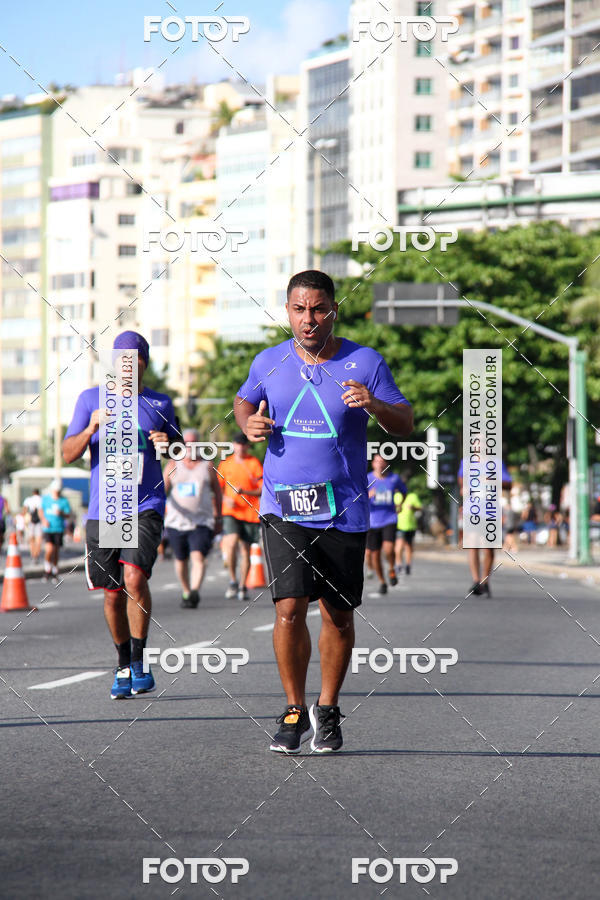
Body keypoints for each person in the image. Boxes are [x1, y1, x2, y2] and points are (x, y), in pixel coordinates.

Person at [234, 270, 413, 753]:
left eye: (317, 309)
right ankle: (294, 708)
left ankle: (328, 709)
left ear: (333, 310)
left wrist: (374, 404)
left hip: (344, 511)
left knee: (338, 616)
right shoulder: (269, 361)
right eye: (299, 309)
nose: (308, 319)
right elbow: (244, 398)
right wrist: (248, 421)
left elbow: (405, 422)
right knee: (289, 608)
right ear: (287, 311)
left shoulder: (365, 361)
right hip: (282, 506)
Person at [63, 331, 180, 700]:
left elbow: (179, 448)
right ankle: (124, 662)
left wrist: (168, 444)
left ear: (144, 364)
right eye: (121, 362)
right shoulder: (90, 400)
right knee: (112, 594)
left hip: (145, 505)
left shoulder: (160, 403)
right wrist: (91, 428)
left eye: (134, 361)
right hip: (107, 508)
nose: (127, 368)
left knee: (133, 577)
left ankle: (141, 659)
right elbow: (67, 453)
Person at [164, 429, 222, 608]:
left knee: (198, 556)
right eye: (187, 442)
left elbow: (218, 492)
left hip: (201, 521)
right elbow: (161, 491)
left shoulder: (207, 465)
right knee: (181, 559)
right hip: (176, 522)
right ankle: (186, 590)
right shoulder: (173, 464)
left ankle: (195, 591)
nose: (190, 446)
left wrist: (218, 517)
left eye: (193, 442)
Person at [217, 433, 263, 602]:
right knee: (231, 541)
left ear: (247, 446)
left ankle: (242, 585)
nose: (240, 447)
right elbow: (218, 487)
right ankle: (232, 580)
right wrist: (225, 499)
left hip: (250, 513)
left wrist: (245, 492)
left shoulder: (254, 463)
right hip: (231, 511)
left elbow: (262, 489)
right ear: (233, 445)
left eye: (243, 444)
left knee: (245, 550)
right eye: (237, 444)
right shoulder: (226, 464)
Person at [458, 457, 512, 597]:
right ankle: (476, 581)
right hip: (472, 509)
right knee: (472, 543)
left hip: (490, 510)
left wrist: (492, 480)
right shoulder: (467, 462)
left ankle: (485, 581)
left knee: (488, 548)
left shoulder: (497, 463)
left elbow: (508, 484)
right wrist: (464, 487)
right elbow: (461, 479)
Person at [365, 453, 406, 594]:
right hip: (372, 521)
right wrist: (367, 495)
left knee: (389, 549)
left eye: (383, 462)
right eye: (378, 461)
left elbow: (404, 491)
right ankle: (382, 582)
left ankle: (391, 568)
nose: (380, 464)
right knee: (375, 554)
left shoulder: (394, 478)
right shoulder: (368, 479)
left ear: (386, 464)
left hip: (389, 518)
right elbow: (358, 497)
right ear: (373, 464)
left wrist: (400, 504)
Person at [40, 479, 71, 583]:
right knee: (49, 549)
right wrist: (44, 520)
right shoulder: (46, 499)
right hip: (48, 528)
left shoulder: (63, 501)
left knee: (56, 550)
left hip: (58, 528)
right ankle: (47, 569)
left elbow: (68, 514)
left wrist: (61, 513)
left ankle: (54, 570)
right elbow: (40, 510)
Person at [395, 481, 422, 575]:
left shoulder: (412, 496)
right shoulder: (395, 496)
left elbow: (420, 508)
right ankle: (398, 564)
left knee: (408, 546)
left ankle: (408, 565)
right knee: (399, 545)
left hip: (411, 526)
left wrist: (413, 508)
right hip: (398, 525)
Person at [23, 488, 43, 563]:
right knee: (38, 539)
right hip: (39, 521)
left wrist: (24, 520)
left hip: (31, 521)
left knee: (31, 539)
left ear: (33, 493)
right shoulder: (41, 499)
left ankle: (33, 554)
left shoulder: (29, 499)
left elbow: (24, 510)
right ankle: (36, 555)